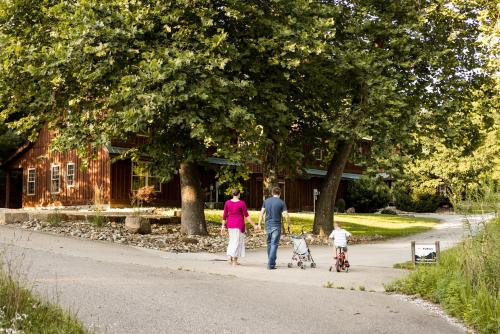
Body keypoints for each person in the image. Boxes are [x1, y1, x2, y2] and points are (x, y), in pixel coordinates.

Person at [221, 189, 258, 266]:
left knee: (232, 240)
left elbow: (224, 216)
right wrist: (254, 225)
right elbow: (246, 216)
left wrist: (223, 226)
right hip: (239, 224)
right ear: (238, 194)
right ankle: (234, 260)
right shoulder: (242, 203)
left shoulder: (227, 203)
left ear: (232, 194)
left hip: (230, 224)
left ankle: (229, 256)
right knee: (237, 242)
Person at [257, 187, 291, 270]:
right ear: (280, 193)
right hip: (276, 225)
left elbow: (261, 213)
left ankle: (271, 261)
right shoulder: (281, 202)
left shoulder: (266, 201)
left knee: (269, 243)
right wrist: (289, 225)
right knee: (274, 244)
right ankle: (271, 264)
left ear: (272, 193)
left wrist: (259, 224)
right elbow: (286, 215)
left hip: (267, 224)